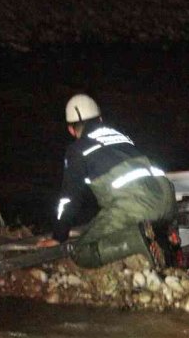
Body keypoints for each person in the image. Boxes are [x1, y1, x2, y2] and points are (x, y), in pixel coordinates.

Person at [36, 94, 179, 269]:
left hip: (136, 206)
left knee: (80, 251)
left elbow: (69, 198)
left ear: (71, 130)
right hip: (168, 199)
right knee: (105, 223)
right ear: (101, 119)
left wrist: (59, 236)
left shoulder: (78, 150)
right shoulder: (120, 136)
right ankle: (166, 238)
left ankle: (140, 243)